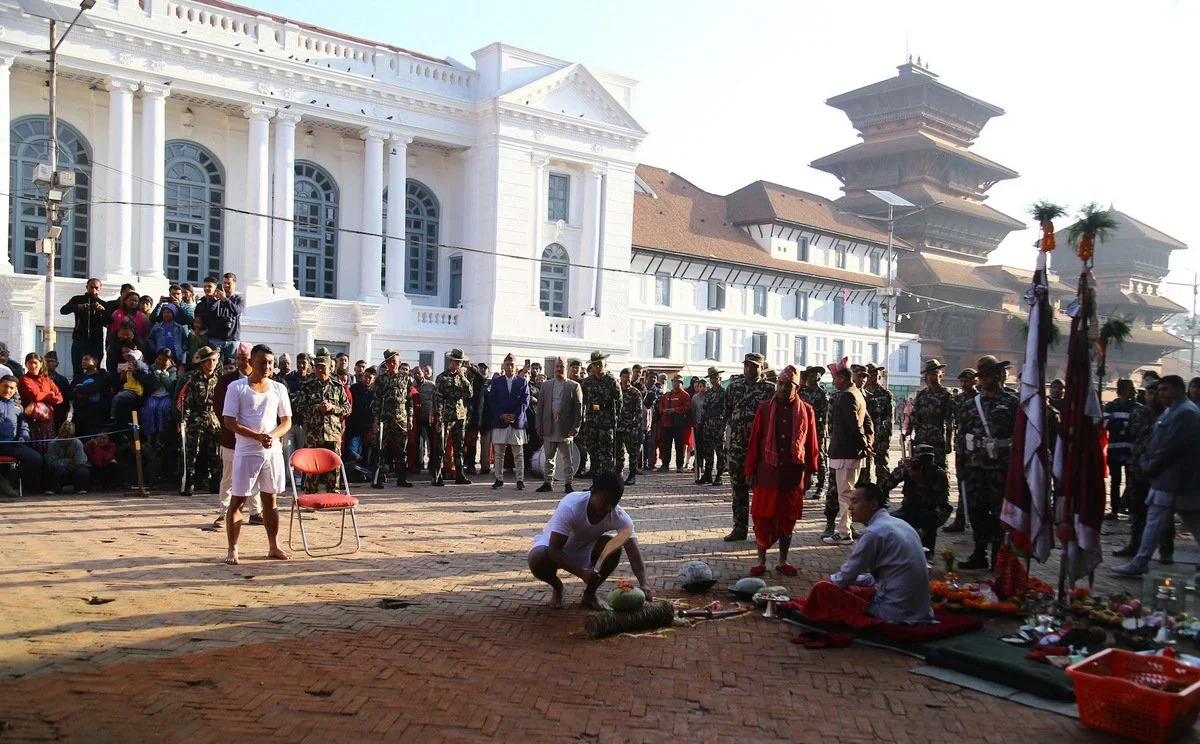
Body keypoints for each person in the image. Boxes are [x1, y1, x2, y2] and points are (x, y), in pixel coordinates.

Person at [802, 482, 934, 626]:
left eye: (855, 502)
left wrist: (832, 580)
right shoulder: (901, 524)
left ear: (873, 504)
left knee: (823, 588)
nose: (851, 507)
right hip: (922, 611)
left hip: (895, 614)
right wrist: (857, 580)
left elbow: (845, 577)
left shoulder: (874, 532)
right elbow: (887, 574)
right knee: (860, 585)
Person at [1113, 375, 1200, 577]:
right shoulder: (1173, 411)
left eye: (1165, 390)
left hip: (1177, 478)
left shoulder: (1185, 412)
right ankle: (1140, 561)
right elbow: (1156, 441)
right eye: (1159, 390)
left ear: (1179, 390)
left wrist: (1151, 464)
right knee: (1158, 521)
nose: (1161, 394)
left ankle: (1140, 562)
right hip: (1170, 479)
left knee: (1172, 522)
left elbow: (1171, 446)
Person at [527, 471, 652, 610]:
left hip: (585, 550)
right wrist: (581, 572)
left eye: (614, 503)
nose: (609, 508)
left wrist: (644, 583)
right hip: (553, 549)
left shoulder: (619, 516)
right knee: (536, 558)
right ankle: (558, 587)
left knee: (615, 548)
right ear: (593, 491)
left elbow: (633, 551)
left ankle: (590, 594)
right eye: (605, 501)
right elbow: (554, 549)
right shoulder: (571, 505)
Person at [220, 344, 292, 565]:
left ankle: (274, 546)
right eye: (262, 361)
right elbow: (229, 421)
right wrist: (256, 436)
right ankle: (233, 548)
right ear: (251, 362)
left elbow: (286, 421)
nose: (267, 366)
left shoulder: (279, 388)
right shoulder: (236, 387)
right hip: (246, 452)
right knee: (238, 500)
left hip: (272, 452)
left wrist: (272, 435)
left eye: (270, 362)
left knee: (270, 500)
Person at [744, 365, 819, 576]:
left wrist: (811, 472)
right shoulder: (765, 408)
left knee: (788, 518)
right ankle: (761, 560)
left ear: (797, 388)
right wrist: (750, 469)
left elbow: (812, 444)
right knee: (762, 518)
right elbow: (755, 440)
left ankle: (783, 560)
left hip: (792, 474)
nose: (784, 389)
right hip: (768, 473)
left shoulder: (807, 410)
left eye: (789, 385)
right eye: (781, 384)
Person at [956, 355, 1018, 570]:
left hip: (1000, 467)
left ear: (999, 375)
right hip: (975, 467)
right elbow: (961, 436)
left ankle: (998, 555)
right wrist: (960, 464)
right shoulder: (970, 405)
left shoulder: (1011, 402)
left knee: (999, 512)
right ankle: (979, 552)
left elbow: (1019, 436)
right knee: (976, 511)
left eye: (990, 374)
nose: (986, 379)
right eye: (982, 376)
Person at [1114, 379, 1174, 563]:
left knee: (1164, 512)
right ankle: (1135, 544)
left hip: (1161, 470)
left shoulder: (1169, 414)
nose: (1152, 396)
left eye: (1156, 393)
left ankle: (1166, 550)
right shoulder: (1137, 413)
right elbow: (1131, 435)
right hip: (1137, 467)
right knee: (1136, 508)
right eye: (1149, 393)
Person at [722, 353, 776, 542]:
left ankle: (764, 530)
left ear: (762, 368)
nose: (749, 369)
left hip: (760, 450)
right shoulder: (734, 387)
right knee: (738, 490)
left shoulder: (770, 389)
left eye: (754, 366)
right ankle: (739, 528)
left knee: (762, 491)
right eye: (746, 365)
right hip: (737, 447)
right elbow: (728, 412)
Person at [212, 344, 262, 526]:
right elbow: (218, 407)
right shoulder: (226, 382)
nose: (243, 362)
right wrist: (232, 425)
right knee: (228, 477)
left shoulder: (261, 380)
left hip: (254, 438)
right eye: (239, 358)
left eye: (246, 358)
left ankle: (256, 512)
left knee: (254, 476)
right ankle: (224, 512)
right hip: (231, 437)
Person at [824, 363, 873, 546]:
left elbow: (855, 425)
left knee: (845, 495)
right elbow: (867, 423)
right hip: (851, 452)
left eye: (835, 378)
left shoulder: (847, 396)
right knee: (847, 492)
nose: (833, 382)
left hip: (846, 452)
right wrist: (867, 443)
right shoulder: (857, 393)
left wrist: (865, 445)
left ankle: (844, 532)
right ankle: (845, 529)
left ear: (842, 379)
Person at [880, 445, 951, 554]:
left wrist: (919, 481)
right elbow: (885, 486)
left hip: (930, 511)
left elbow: (940, 501)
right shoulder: (909, 469)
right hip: (909, 509)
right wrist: (900, 470)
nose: (923, 465)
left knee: (930, 520)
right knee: (888, 523)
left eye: (927, 461)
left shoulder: (938, 473)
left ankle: (927, 552)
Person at [297, 355, 350, 494]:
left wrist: (333, 408)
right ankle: (310, 495)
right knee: (312, 466)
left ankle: (333, 494)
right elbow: (300, 407)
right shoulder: (308, 387)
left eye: (323, 367)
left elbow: (347, 408)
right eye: (318, 367)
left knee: (334, 465)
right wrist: (316, 408)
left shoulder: (338, 387)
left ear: (329, 369)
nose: (321, 370)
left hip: (333, 433)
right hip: (313, 434)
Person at [535, 357, 583, 493]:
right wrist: (538, 425)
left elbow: (578, 409)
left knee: (567, 459)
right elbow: (540, 407)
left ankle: (568, 483)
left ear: (566, 368)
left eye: (561, 367)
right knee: (548, 458)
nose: (558, 369)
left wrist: (576, 426)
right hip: (549, 425)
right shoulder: (546, 385)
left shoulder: (574, 386)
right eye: (557, 366)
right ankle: (547, 483)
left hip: (565, 428)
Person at [179, 346, 221, 498]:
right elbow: (187, 403)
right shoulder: (193, 380)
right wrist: (184, 420)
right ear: (202, 363)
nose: (211, 363)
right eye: (208, 361)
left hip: (214, 419)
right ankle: (188, 484)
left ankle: (215, 484)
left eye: (213, 360)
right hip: (196, 418)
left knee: (215, 454)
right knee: (191, 453)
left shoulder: (219, 380)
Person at [369, 349, 413, 489]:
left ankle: (402, 478)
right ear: (386, 364)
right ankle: (378, 479)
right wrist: (376, 421)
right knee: (380, 449)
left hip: (401, 417)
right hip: (385, 418)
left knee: (402, 450)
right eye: (390, 362)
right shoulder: (381, 379)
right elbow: (376, 401)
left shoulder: (406, 378)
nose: (393, 364)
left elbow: (409, 400)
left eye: (395, 361)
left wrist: (410, 418)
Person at [488, 354, 531, 490]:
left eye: (512, 365)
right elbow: (492, 401)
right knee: (499, 453)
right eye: (507, 364)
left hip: (517, 422)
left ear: (516, 366)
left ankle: (519, 480)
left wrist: (515, 415)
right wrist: (501, 414)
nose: (510, 367)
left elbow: (525, 401)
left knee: (518, 453)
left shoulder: (522, 381)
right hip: (500, 421)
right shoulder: (497, 382)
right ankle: (499, 479)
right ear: (503, 366)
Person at [943, 368, 977, 534]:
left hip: (978, 448)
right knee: (962, 480)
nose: (964, 384)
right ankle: (961, 519)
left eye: (968, 381)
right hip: (962, 445)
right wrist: (949, 440)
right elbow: (949, 421)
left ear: (974, 381)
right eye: (962, 381)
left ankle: (977, 520)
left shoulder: (980, 399)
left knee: (977, 483)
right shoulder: (958, 400)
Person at [579, 351, 622, 479]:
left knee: (606, 453)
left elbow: (619, 402)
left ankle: (607, 481)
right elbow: (583, 402)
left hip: (606, 423)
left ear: (605, 364)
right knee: (592, 451)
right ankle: (595, 480)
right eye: (594, 364)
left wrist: (616, 421)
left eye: (600, 364)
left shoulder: (612, 381)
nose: (597, 367)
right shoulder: (587, 382)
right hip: (591, 422)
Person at [434, 349, 474, 486]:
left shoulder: (462, 378)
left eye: (461, 362)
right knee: (441, 446)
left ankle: (460, 474)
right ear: (451, 362)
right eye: (457, 362)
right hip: (446, 415)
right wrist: (438, 418)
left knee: (459, 446)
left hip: (459, 415)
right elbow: (438, 399)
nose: (459, 364)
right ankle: (437, 475)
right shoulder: (442, 377)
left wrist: (463, 377)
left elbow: (469, 394)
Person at [907, 360, 956, 472]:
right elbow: (914, 414)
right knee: (920, 468)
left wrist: (949, 442)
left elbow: (949, 420)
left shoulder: (945, 395)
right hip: (922, 437)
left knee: (939, 468)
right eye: (930, 374)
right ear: (926, 376)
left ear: (940, 375)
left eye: (935, 373)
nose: (932, 376)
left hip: (937, 438)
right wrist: (909, 430)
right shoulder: (922, 395)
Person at [1103, 379, 1140, 520]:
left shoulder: (1137, 407)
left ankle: (1131, 510)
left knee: (1132, 482)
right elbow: (1107, 424)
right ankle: (1114, 509)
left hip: (1131, 450)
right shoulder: (1111, 406)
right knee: (1115, 482)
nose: (1133, 391)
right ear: (1122, 391)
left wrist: (1120, 424)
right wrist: (1125, 425)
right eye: (1130, 388)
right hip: (1115, 449)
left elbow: (1136, 427)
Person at [0, 375, 43, 496]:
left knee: (36, 459)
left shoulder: (18, 407)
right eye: (5, 386)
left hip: (12, 444)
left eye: (11, 388)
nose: (8, 390)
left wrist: (23, 437)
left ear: (15, 390)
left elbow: (24, 427)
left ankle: (8, 479)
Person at [60, 277, 110, 372]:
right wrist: (77, 307)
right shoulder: (77, 299)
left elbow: (108, 322)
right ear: (87, 287)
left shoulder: (103, 304)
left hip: (96, 341)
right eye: (91, 287)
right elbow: (63, 310)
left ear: (100, 289)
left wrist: (102, 311)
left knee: (96, 368)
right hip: (79, 339)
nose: (93, 290)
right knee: (78, 367)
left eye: (96, 288)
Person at [18, 353, 64, 452]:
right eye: (30, 363)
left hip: (48, 421)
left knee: (49, 449)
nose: (33, 366)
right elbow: (35, 396)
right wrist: (50, 394)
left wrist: (45, 396)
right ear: (26, 364)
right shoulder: (24, 379)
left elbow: (59, 398)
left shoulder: (46, 380)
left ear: (41, 364)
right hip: (31, 421)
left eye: (35, 363)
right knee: (34, 448)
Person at [196, 273, 245, 362]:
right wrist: (215, 301)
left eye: (229, 283)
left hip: (232, 340)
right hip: (215, 339)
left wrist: (225, 299)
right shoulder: (215, 299)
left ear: (235, 284)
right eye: (224, 283)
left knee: (231, 366)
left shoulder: (239, 299)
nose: (226, 285)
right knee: (215, 365)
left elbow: (236, 311)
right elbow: (208, 315)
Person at [797, 366, 828, 503]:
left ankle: (821, 485)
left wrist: (822, 432)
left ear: (819, 377)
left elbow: (825, 415)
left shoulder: (822, 394)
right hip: (803, 429)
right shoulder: (801, 392)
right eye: (810, 375)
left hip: (817, 429)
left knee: (819, 456)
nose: (812, 377)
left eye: (815, 375)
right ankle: (802, 484)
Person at [864, 364, 894, 485]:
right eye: (870, 374)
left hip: (880, 435)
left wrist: (887, 439)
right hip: (865, 436)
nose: (873, 377)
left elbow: (889, 418)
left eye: (876, 374)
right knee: (864, 468)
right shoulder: (861, 393)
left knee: (882, 467)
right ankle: (866, 495)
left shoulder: (886, 394)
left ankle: (883, 495)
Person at [616, 367, 644, 486]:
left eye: (628, 376)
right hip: (618, 426)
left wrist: (635, 427)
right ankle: (618, 474)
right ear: (620, 377)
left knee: (632, 453)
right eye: (624, 376)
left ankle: (632, 475)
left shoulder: (635, 392)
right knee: (618, 452)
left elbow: (639, 412)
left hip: (630, 427)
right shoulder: (616, 391)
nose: (626, 379)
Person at [45, 421, 90, 494]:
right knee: (56, 470)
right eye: (63, 436)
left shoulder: (78, 443)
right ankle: (54, 489)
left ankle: (80, 488)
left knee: (83, 471)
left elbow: (80, 462)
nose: (65, 439)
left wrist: (62, 462)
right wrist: (68, 461)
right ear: (59, 435)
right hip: (60, 470)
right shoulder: (52, 444)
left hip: (74, 469)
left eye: (68, 436)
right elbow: (51, 462)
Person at [700, 366, 727, 486]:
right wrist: (701, 422)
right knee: (708, 450)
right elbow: (704, 409)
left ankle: (719, 474)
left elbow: (726, 409)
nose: (713, 380)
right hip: (708, 424)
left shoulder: (724, 393)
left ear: (719, 378)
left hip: (718, 424)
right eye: (711, 378)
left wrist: (724, 424)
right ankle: (708, 473)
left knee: (719, 451)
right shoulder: (709, 393)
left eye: (715, 377)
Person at [110, 348, 152, 426]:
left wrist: (135, 371)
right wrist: (123, 374)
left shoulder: (141, 367)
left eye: (133, 358)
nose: (131, 360)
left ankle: (113, 417)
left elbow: (145, 372)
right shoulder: (128, 365)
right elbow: (122, 379)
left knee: (117, 398)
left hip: (137, 392)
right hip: (127, 389)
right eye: (130, 358)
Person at [70, 354, 110, 437]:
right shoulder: (78, 377)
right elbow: (70, 392)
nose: (83, 362)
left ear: (95, 362)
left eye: (86, 359)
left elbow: (94, 388)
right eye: (82, 360)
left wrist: (79, 390)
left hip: (96, 417)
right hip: (79, 416)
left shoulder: (102, 376)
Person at [657, 375, 690, 473]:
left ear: (681, 383)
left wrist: (675, 410)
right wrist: (664, 411)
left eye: (678, 382)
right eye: (674, 381)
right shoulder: (667, 395)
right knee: (666, 446)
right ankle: (665, 464)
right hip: (667, 424)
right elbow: (660, 407)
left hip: (678, 425)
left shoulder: (685, 395)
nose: (676, 383)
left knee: (679, 446)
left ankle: (679, 465)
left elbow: (687, 408)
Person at [346, 365, 375, 465]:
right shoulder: (354, 388)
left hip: (368, 426)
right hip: (354, 425)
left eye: (370, 378)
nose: (367, 379)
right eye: (366, 376)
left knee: (366, 451)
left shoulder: (375, 391)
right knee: (351, 451)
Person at [43, 352, 71, 432]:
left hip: (58, 413)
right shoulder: (39, 378)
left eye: (52, 361)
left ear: (57, 364)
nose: (49, 364)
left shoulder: (63, 380)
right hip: (42, 413)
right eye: (47, 361)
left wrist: (65, 411)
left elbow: (66, 399)